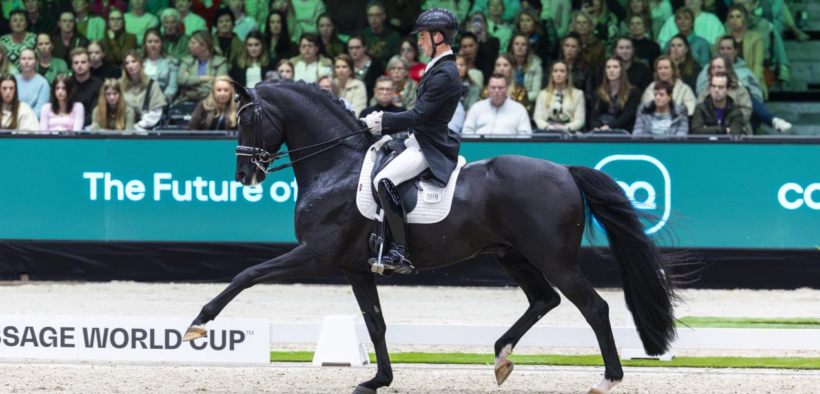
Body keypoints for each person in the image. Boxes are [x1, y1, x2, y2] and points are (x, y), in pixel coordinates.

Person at [359, 8, 461, 274]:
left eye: (424, 36)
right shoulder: (437, 66)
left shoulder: (445, 72)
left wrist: (383, 120)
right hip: (418, 139)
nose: (419, 42)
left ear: (438, 37)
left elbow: (419, 115)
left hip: (430, 145)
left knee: (384, 179)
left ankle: (400, 251)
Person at [463, 73, 531, 136]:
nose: (497, 91)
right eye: (493, 87)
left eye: (500, 88)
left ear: (507, 88)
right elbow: (466, 132)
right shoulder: (476, 107)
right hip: (479, 147)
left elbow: (525, 135)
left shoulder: (519, 109)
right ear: (488, 89)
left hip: (509, 148)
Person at [588, 56, 641, 132]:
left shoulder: (633, 92)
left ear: (622, 70)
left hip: (622, 132)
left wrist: (609, 126)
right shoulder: (598, 92)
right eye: (608, 67)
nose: (611, 70)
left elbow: (627, 116)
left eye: (615, 67)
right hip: (599, 131)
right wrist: (596, 127)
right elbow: (594, 115)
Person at [533, 60, 585, 132]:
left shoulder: (578, 94)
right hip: (547, 131)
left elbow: (580, 120)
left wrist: (565, 127)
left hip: (569, 132)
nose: (558, 74)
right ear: (551, 74)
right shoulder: (542, 94)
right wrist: (548, 127)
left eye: (562, 71)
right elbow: (537, 118)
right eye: (555, 71)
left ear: (567, 75)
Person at [725, 5, 764, 99]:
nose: (734, 20)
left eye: (738, 16)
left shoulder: (755, 38)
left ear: (744, 19)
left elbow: (757, 65)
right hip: (728, 82)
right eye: (731, 17)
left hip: (749, 81)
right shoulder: (722, 39)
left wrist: (753, 85)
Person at [122, 50, 167, 130]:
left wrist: (138, 126)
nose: (130, 65)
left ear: (141, 63)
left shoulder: (152, 85)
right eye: (127, 63)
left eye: (133, 61)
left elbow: (156, 113)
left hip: (144, 129)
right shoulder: (119, 85)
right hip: (122, 128)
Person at [177, 30, 228, 102]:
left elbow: (220, 85)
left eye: (193, 43)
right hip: (187, 100)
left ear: (204, 46)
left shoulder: (220, 62)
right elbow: (180, 79)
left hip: (213, 101)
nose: (189, 45)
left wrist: (190, 81)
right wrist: (206, 78)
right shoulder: (187, 61)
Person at [657, 0, 724, 46]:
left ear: (701, 1)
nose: (691, 0)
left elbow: (721, 42)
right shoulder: (672, 20)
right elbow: (662, 43)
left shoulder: (712, 20)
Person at [69, 47, 103, 127]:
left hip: (90, 124)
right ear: (72, 66)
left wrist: (78, 124)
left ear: (90, 63)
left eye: (83, 62)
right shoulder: (67, 84)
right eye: (76, 63)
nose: (79, 65)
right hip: (69, 123)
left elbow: (96, 113)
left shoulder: (98, 84)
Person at [142, 28, 179, 101]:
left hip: (162, 99)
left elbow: (172, 87)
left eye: (156, 41)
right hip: (141, 98)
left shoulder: (171, 63)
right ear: (145, 44)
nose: (153, 44)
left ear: (161, 43)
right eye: (150, 41)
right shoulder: (138, 62)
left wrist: (162, 98)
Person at [361, 2, 401, 66]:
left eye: (377, 15)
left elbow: (397, 60)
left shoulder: (394, 36)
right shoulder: (362, 35)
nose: (373, 19)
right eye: (370, 15)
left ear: (383, 16)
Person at [14, 48, 48, 117]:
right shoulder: (13, 80)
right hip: (12, 121)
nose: (26, 62)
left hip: (34, 123)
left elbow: (40, 109)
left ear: (36, 61)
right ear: (19, 61)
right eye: (23, 59)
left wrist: (24, 120)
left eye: (30, 59)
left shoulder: (43, 83)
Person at [347, 35, 383, 101]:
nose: (354, 51)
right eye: (351, 48)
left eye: (357, 47)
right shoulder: (346, 65)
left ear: (365, 48)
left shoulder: (376, 65)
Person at [508, 33, 541, 103]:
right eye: (516, 44)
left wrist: (519, 98)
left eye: (523, 44)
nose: (520, 47)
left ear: (527, 48)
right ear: (512, 47)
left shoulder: (536, 65)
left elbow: (536, 92)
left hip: (527, 102)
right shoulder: (504, 63)